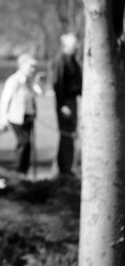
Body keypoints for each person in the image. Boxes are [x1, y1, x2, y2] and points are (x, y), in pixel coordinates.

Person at [0, 53, 43, 175]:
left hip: (28, 117)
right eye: (30, 66)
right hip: (16, 118)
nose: (33, 69)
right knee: (24, 143)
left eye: (34, 67)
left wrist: (38, 85)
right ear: (22, 65)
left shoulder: (29, 81)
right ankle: (19, 172)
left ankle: (24, 172)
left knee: (27, 145)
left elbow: (34, 95)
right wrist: (3, 120)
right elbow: (5, 100)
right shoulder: (14, 80)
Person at [52, 32, 82, 176]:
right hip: (65, 103)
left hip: (73, 101)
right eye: (74, 44)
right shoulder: (60, 61)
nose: (77, 47)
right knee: (67, 135)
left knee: (70, 135)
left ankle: (64, 168)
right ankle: (65, 170)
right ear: (66, 46)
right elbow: (57, 85)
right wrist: (62, 105)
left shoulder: (73, 61)